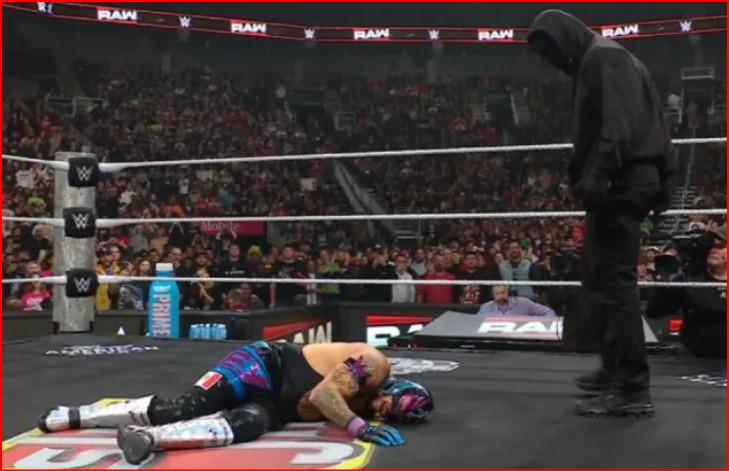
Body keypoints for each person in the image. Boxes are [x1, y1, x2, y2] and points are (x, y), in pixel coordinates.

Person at [528, 10, 676, 418]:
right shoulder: (611, 57)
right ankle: (614, 370)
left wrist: (598, 176)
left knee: (614, 285)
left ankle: (631, 387)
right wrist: (663, 180)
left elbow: (620, 124)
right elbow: (653, 123)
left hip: (621, 181)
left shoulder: (603, 58)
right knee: (597, 276)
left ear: (566, 37)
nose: (552, 60)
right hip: (627, 180)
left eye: (551, 50)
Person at [39, 341, 434, 464]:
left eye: (391, 416)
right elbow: (323, 394)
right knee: (187, 407)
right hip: (262, 365)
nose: (382, 411)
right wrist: (358, 427)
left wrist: (360, 417)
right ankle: (75, 414)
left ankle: (146, 439)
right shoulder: (372, 363)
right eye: (389, 404)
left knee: (245, 426)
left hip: (278, 405)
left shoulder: (366, 402)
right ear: (393, 388)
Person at [646, 225, 727, 358]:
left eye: (720, 246)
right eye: (710, 246)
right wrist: (665, 279)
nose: (713, 250)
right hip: (694, 359)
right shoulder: (689, 278)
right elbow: (654, 311)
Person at [477, 284, 555, 317]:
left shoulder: (524, 303)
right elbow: (476, 323)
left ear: (508, 293)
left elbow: (549, 312)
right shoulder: (485, 308)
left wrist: (539, 325)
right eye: (497, 294)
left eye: (503, 293)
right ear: (493, 295)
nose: (500, 296)